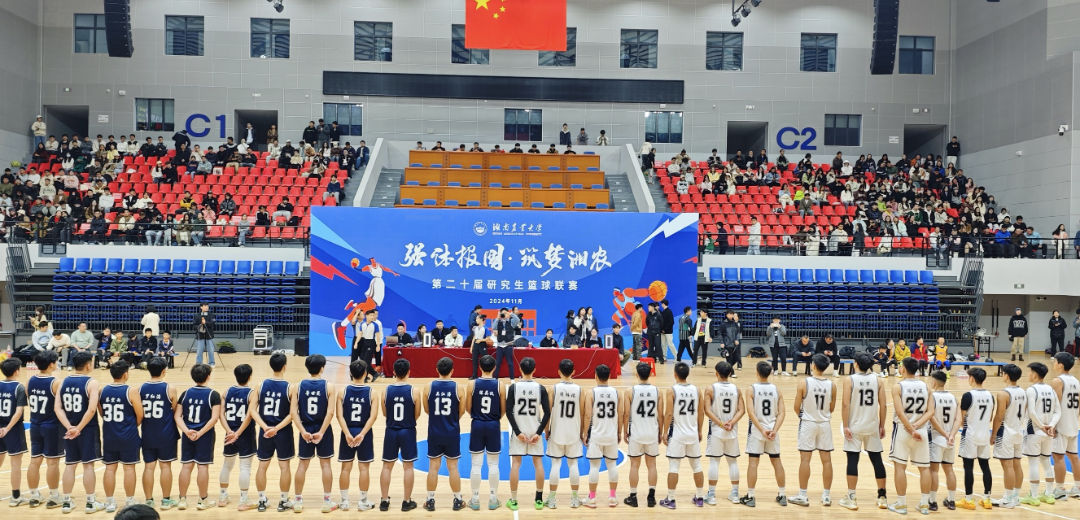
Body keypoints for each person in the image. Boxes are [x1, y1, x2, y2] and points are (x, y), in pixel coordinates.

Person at [838, 353, 888, 511]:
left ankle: (851, 497)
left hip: (855, 426)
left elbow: (845, 404)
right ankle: (882, 497)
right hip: (872, 426)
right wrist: (882, 425)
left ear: (856, 364)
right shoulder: (878, 380)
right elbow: (883, 405)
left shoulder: (850, 379)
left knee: (853, 460)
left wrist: (846, 426)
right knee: (877, 460)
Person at [56, 351, 103, 514]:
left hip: (69, 430)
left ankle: (66, 502)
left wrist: (70, 427)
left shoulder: (63, 381)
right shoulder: (92, 382)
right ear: (88, 365)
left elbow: (57, 408)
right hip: (87, 429)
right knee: (88, 465)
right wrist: (78, 428)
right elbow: (91, 409)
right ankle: (90, 503)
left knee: (70, 465)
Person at [888, 357, 935, 515]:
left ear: (902, 368)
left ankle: (901, 504)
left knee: (900, 467)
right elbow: (930, 411)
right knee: (924, 469)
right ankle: (924, 504)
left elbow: (900, 413)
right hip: (922, 430)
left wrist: (910, 428)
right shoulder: (926, 387)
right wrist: (916, 426)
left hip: (903, 430)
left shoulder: (898, 387)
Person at [291, 355, 337, 513]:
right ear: (322, 368)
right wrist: (322, 432)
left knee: (302, 465)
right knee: (326, 465)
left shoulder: (298, 386)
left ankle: (298, 501)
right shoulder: (329, 386)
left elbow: (293, 412)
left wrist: (303, 431)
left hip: (306, 427)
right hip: (323, 427)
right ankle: (327, 501)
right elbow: (330, 413)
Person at [788, 354, 836, 507]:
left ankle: (803, 495)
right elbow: (832, 408)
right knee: (827, 461)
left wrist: (804, 416)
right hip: (824, 424)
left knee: (805, 460)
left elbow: (796, 407)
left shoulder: (804, 383)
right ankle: (826, 496)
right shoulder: (832, 385)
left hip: (808, 423)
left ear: (813, 365)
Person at [252, 353, 295, 512]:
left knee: (262, 466)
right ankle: (283, 501)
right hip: (282, 432)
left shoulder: (260, 385)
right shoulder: (291, 387)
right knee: (284, 466)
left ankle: (261, 500)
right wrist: (276, 428)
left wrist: (265, 427)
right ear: (284, 367)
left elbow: (252, 410)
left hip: (265, 433)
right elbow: (292, 414)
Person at [741, 361, 787, 507]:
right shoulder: (776, 389)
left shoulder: (751, 389)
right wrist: (774, 430)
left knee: (753, 463)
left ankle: (751, 496)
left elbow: (751, 413)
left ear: (757, 372)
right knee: (777, 462)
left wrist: (762, 430)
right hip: (772, 430)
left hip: (757, 431)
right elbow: (782, 413)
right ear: (770, 373)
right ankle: (782, 495)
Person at [175, 363, 221, 510]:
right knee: (202, 467)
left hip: (188, 435)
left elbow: (177, 416)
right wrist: (200, 433)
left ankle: (182, 500)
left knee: (186, 466)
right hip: (205, 436)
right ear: (208, 376)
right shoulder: (213, 395)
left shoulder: (185, 393)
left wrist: (187, 431)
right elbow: (214, 418)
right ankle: (203, 500)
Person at [422, 357, 466, 511]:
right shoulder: (458, 388)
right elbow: (461, 412)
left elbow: (426, 409)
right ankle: (457, 500)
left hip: (434, 432)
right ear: (452, 371)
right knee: (453, 467)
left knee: (433, 467)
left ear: (437, 370)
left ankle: (430, 500)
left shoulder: (428, 387)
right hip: (451, 432)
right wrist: (451, 419)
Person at [99, 361, 143, 513]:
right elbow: (140, 414)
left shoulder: (102, 390)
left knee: (110, 468)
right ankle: (130, 500)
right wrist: (131, 425)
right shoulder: (131, 391)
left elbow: (102, 413)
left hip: (109, 434)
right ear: (125, 374)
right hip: (128, 435)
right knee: (129, 468)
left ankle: (110, 501)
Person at [659, 362, 704, 509]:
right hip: (692, 433)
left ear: (675, 374)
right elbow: (701, 412)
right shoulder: (697, 390)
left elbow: (669, 414)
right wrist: (700, 430)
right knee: (697, 466)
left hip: (677, 434)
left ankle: (671, 499)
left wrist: (665, 432)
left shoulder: (672, 390)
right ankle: (700, 497)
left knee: (674, 467)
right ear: (688, 374)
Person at [505, 357, 548, 511]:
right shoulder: (540, 388)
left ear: (520, 370)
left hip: (519, 432)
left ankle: (514, 500)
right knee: (538, 464)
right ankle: (539, 500)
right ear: (534, 369)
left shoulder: (514, 388)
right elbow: (547, 413)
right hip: (535, 431)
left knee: (516, 464)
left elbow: (508, 411)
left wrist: (517, 432)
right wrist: (539, 433)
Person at [337, 360, 380, 512]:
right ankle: (363, 501)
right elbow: (373, 416)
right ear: (366, 374)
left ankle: (344, 501)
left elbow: (339, 416)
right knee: (364, 469)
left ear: (350, 373)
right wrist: (362, 434)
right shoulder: (372, 393)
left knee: (345, 468)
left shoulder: (342, 392)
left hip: (348, 432)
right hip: (364, 433)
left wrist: (347, 433)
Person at [139, 357, 180, 510]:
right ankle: (166, 500)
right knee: (165, 466)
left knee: (149, 467)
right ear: (164, 371)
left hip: (147, 433)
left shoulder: (141, 388)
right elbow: (175, 410)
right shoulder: (170, 388)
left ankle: (149, 500)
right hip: (166, 433)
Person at [380, 358, 420, 512]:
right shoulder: (414, 391)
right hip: (407, 430)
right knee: (408, 467)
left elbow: (385, 413)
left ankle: (384, 501)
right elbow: (417, 414)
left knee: (387, 466)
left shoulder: (386, 390)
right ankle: (406, 501)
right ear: (409, 372)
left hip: (391, 430)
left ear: (394, 372)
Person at [543, 360, 583, 509]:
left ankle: (552, 499)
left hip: (557, 431)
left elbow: (547, 413)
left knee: (555, 464)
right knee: (573, 464)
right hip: (573, 431)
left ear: (559, 371)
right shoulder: (580, 390)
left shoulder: (553, 389)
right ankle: (574, 498)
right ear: (574, 372)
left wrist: (546, 430)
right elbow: (583, 413)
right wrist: (582, 432)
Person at [465, 355, 504, 510]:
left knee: (476, 463)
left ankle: (475, 499)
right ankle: (493, 498)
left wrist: (478, 416)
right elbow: (502, 409)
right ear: (494, 368)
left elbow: (468, 407)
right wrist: (493, 418)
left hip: (477, 424)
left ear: (480, 367)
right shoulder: (500, 385)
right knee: (493, 463)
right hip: (493, 424)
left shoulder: (471, 384)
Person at [954, 367, 996, 510]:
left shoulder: (968, 395)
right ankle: (987, 499)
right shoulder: (990, 395)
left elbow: (961, 419)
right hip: (985, 435)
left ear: (971, 378)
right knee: (985, 467)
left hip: (970, 435)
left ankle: (968, 499)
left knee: (968, 467)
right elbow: (990, 418)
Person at [26, 351, 63, 508]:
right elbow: (61, 406)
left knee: (35, 461)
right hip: (52, 426)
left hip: (35, 424)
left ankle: (34, 496)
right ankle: (54, 497)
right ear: (52, 364)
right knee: (52, 463)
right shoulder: (56, 383)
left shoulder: (29, 380)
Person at [702, 361, 743, 505]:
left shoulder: (710, 389)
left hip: (716, 430)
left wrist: (721, 423)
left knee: (714, 461)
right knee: (733, 461)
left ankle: (712, 495)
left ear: (716, 373)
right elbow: (742, 410)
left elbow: (707, 410)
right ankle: (735, 494)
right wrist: (731, 423)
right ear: (730, 373)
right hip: (732, 430)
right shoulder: (736, 389)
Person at [621, 362, 660, 508]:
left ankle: (633, 497)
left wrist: (625, 431)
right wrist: (661, 432)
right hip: (652, 432)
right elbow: (661, 415)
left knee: (634, 465)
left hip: (636, 433)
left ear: (636, 374)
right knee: (652, 465)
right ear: (650, 374)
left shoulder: (629, 391)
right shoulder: (657, 391)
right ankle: (651, 497)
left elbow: (626, 414)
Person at [581, 364, 620, 508]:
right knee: (612, 465)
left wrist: (585, 433)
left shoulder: (591, 393)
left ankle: (592, 498)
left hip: (596, 434)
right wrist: (620, 432)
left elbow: (587, 415)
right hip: (611, 434)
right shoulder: (617, 393)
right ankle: (612, 497)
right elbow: (620, 414)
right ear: (609, 376)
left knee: (594, 467)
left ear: (595, 376)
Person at [1021, 362, 1059, 506]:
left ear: (1035, 374)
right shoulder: (1051, 389)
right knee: (1046, 461)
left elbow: (1031, 412)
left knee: (1033, 463)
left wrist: (1042, 426)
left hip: (1035, 431)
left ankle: (1034, 496)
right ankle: (1049, 495)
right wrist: (1051, 425)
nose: (1028, 374)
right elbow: (1058, 411)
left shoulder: (1031, 390)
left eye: (1029, 372)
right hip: (1048, 432)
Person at [990, 364, 1027, 509]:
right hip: (1018, 431)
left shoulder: (1003, 394)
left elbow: (999, 417)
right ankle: (1015, 497)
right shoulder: (1024, 392)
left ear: (1006, 375)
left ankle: (1007, 498)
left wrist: (993, 434)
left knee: (1008, 466)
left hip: (1006, 433)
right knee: (1017, 465)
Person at [928, 370, 961, 511]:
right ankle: (951, 500)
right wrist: (951, 435)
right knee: (949, 469)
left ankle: (932, 501)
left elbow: (932, 418)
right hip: (950, 440)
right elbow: (958, 419)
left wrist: (944, 434)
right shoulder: (954, 398)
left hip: (937, 438)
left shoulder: (932, 397)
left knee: (933, 471)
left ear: (934, 382)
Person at [1050, 352, 1080, 499]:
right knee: (1074, 457)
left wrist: (1053, 425)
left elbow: (1056, 406)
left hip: (1061, 424)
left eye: (1055, 361)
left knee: (1058, 457)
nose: (1053, 364)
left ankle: (1060, 489)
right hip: (1073, 423)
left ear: (1060, 365)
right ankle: (1078, 487)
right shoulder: (1076, 380)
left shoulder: (1057, 381)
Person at [0, 358, 27, 507]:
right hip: (13, 429)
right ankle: (16, 497)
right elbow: (18, 412)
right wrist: (8, 428)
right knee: (16, 463)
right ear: (17, 371)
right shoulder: (19, 388)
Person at [493, 309, 517, 380]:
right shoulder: (498, 321)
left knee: (510, 363)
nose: (503, 315)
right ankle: (495, 378)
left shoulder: (511, 321)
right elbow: (493, 327)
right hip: (500, 345)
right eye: (502, 313)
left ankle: (512, 379)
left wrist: (510, 314)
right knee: (498, 363)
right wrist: (497, 318)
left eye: (505, 313)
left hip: (508, 344)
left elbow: (517, 320)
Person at [468, 313, 488, 380]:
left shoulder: (485, 328)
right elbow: (474, 337)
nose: (476, 320)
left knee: (484, 360)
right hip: (476, 345)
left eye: (477, 318)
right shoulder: (475, 328)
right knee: (474, 360)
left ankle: (485, 374)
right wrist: (471, 346)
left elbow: (488, 338)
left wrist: (481, 340)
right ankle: (474, 375)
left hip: (482, 344)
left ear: (481, 319)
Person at [660, 300, 675, 364]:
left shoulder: (669, 311)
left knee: (670, 344)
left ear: (663, 304)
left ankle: (677, 357)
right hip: (662, 331)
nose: (661, 305)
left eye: (662, 304)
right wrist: (662, 329)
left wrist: (665, 329)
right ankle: (664, 357)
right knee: (664, 345)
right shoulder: (663, 312)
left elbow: (671, 322)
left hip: (668, 331)